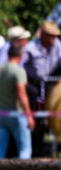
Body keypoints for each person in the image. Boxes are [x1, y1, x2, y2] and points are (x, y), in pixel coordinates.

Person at [0, 43, 36, 170]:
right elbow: (22, 94)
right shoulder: (19, 71)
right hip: (17, 115)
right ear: (20, 56)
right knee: (24, 149)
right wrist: (29, 115)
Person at [20, 20, 61, 156]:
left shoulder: (58, 46)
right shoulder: (30, 47)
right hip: (34, 86)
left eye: (56, 36)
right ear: (43, 35)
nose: (54, 39)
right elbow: (20, 66)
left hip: (51, 85)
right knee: (33, 97)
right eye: (51, 36)